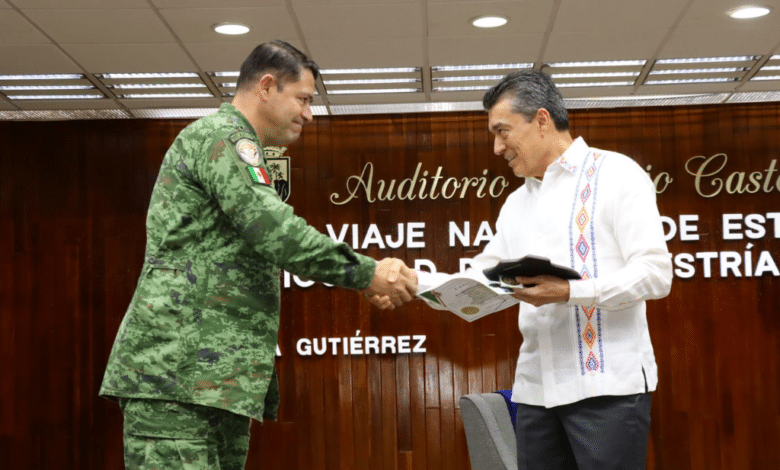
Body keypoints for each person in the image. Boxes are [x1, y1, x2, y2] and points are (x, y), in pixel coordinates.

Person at [99, 40, 417, 470]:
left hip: (213, 384)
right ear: (267, 86)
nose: (309, 113)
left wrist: (365, 277)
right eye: (303, 99)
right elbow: (276, 232)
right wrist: (367, 274)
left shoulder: (240, 147)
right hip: (175, 380)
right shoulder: (221, 137)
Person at [390, 69, 673, 469]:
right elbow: (478, 279)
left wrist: (569, 292)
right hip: (535, 393)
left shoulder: (617, 174)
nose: (496, 147)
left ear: (542, 120)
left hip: (608, 390)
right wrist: (414, 280)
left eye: (503, 131)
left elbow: (656, 274)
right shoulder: (516, 204)